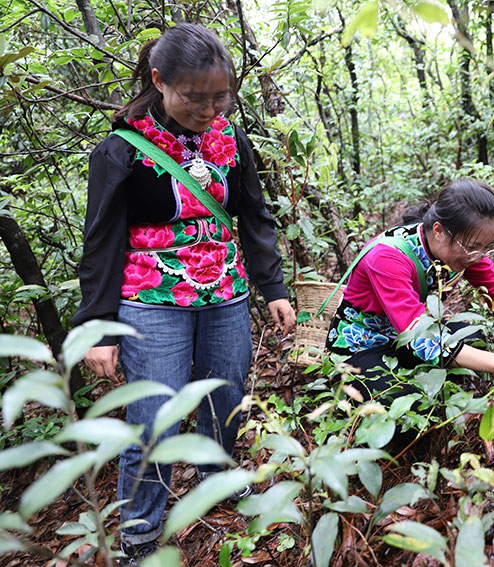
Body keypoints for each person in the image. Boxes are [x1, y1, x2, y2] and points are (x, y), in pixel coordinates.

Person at [73, 24, 295, 565]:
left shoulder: (229, 138)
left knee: (225, 392)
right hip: (150, 298)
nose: (210, 108)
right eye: (196, 97)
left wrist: (272, 286)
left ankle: (216, 473)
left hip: (224, 289)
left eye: (222, 96)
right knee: (155, 417)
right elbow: (101, 240)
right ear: (160, 81)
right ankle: (141, 528)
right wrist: (99, 324)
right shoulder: (122, 149)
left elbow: (254, 215)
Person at [326, 179, 494, 405]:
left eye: (486, 247)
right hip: (362, 348)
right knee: (406, 405)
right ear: (438, 231)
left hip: (402, 340)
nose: (479, 256)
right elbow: (419, 335)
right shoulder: (387, 257)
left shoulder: (464, 248)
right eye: (473, 246)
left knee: (473, 338)